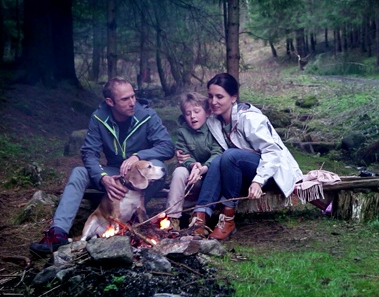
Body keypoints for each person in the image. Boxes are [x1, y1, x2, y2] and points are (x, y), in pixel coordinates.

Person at [30, 77, 175, 255]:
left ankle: (132, 217)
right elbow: (89, 153)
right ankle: (57, 234)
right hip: (115, 173)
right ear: (110, 102)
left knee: (159, 167)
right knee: (78, 173)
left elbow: (167, 147)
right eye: (125, 99)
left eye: (133, 96)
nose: (132, 102)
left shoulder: (147, 115)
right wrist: (102, 177)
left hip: (141, 173)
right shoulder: (99, 118)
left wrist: (138, 156)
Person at [187, 73, 303, 240]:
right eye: (211, 96)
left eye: (220, 96)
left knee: (230, 155)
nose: (213, 102)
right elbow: (201, 137)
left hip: (270, 174)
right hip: (238, 173)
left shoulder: (249, 118)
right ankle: (200, 216)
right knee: (220, 159)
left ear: (233, 97)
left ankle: (228, 219)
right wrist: (190, 159)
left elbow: (273, 152)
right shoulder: (214, 121)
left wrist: (258, 180)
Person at [166, 92, 223, 228]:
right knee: (179, 171)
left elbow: (218, 152)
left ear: (207, 112)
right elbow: (183, 154)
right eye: (188, 113)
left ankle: (202, 213)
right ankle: (172, 219)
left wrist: (203, 168)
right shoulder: (183, 132)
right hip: (193, 179)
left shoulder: (214, 128)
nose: (192, 116)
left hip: (211, 177)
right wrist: (192, 164)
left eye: (197, 111)